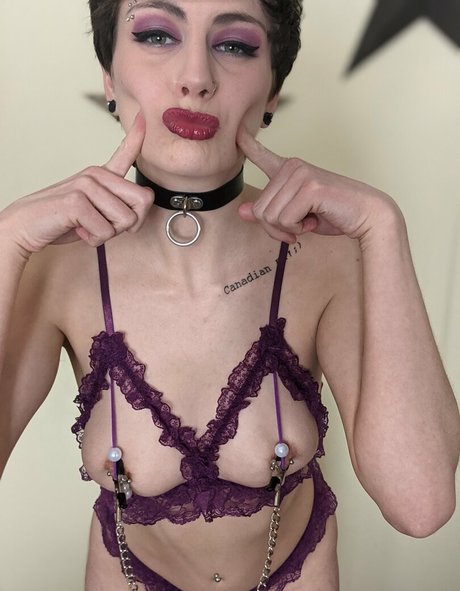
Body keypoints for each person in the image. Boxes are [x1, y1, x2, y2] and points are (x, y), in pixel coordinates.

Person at [0, 0, 459, 589]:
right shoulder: (52, 266)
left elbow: (421, 505)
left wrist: (382, 225)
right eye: (158, 35)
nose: (196, 78)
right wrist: (6, 241)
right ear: (109, 77)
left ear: (272, 92)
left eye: (235, 45)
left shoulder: (331, 256)